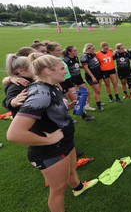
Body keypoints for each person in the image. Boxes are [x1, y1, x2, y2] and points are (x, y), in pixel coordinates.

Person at [6, 53, 98, 212]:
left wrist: (67, 107)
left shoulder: (51, 86)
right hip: (50, 150)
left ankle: (78, 187)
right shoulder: (41, 93)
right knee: (58, 189)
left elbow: (47, 113)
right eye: (62, 68)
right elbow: (14, 133)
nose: (65, 71)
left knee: (71, 171)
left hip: (64, 142)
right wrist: (49, 140)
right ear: (48, 71)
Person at [47, 42, 95, 122]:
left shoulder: (59, 59)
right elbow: (51, 74)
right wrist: (58, 84)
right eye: (58, 50)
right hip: (61, 83)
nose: (60, 51)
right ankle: (66, 118)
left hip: (68, 80)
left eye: (60, 49)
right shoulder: (50, 61)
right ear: (51, 51)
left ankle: (84, 116)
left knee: (76, 100)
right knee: (64, 102)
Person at [62, 46, 96, 111]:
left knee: (87, 92)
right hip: (72, 80)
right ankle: (79, 110)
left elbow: (76, 66)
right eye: (74, 51)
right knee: (75, 97)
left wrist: (83, 67)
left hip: (79, 77)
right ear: (69, 52)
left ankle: (86, 106)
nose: (76, 52)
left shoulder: (75, 58)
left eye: (76, 50)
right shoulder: (66, 60)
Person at [81, 43, 105, 111]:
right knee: (97, 90)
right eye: (92, 49)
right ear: (87, 49)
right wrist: (92, 77)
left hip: (98, 74)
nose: (93, 50)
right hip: (92, 76)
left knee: (98, 90)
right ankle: (98, 105)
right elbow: (86, 68)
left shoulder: (93, 54)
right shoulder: (84, 56)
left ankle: (98, 101)